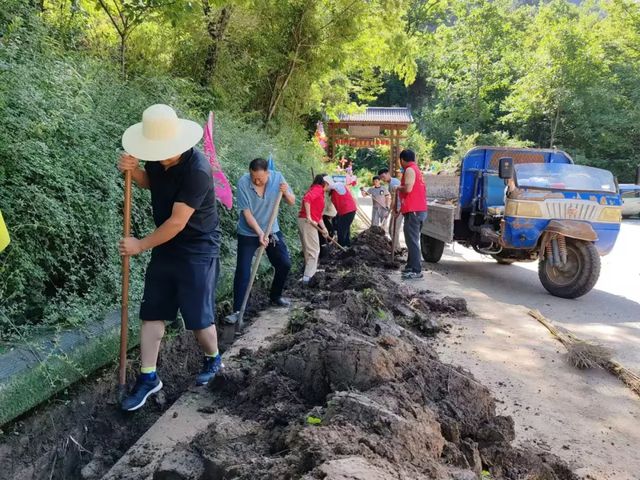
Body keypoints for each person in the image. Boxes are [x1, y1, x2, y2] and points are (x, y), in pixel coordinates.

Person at [117, 104, 223, 411]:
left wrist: (140, 245)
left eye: (165, 149)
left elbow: (177, 222)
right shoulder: (155, 159)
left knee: (197, 315)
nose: (160, 155)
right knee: (153, 309)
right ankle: (148, 377)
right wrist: (132, 170)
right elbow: (151, 182)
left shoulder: (197, 171)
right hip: (166, 245)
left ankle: (213, 360)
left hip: (197, 247)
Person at [225, 158, 296, 325]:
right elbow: (247, 213)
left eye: (261, 178)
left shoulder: (278, 178)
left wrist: (285, 192)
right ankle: (238, 310)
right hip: (248, 233)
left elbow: (292, 201)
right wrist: (259, 233)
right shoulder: (243, 182)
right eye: (254, 177)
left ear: (268, 173)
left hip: (272, 230)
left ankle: (275, 296)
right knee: (243, 270)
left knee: (284, 264)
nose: (257, 181)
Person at [397, 149, 428, 279]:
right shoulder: (416, 169)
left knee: (413, 241)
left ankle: (416, 270)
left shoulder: (409, 170)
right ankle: (410, 265)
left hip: (414, 210)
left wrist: (397, 187)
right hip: (416, 210)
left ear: (402, 160)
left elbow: (408, 188)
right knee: (411, 239)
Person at [298, 174, 330, 285]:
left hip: (306, 221)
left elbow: (318, 215)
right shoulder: (318, 189)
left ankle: (309, 273)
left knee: (309, 250)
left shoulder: (318, 191)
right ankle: (308, 278)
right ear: (325, 183)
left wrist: (324, 229)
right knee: (314, 250)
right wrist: (308, 216)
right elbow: (307, 199)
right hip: (307, 222)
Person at [329, 178, 357, 247]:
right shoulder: (334, 193)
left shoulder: (338, 186)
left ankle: (341, 247)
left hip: (348, 211)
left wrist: (325, 185)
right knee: (346, 229)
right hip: (346, 211)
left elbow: (333, 185)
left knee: (341, 230)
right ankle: (347, 245)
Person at [377, 168, 402, 240]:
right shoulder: (393, 181)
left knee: (393, 230)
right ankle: (397, 248)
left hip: (399, 208)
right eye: (381, 178)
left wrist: (388, 212)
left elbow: (394, 200)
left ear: (388, 173)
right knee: (392, 230)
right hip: (396, 208)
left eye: (383, 177)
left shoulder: (393, 183)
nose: (383, 179)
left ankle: (397, 249)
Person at [319, 189, 337, 258]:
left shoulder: (332, 192)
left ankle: (328, 245)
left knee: (331, 231)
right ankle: (323, 250)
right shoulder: (322, 193)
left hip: (330, 214)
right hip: (323, 215)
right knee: (324, 233)